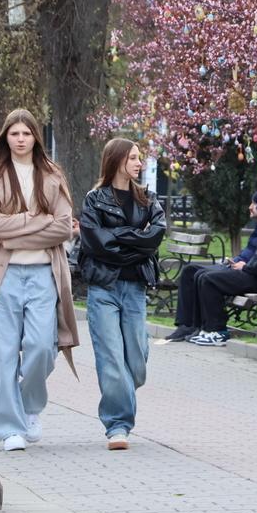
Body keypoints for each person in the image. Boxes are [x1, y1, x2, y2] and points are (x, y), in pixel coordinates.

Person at [0, 109, 77, 453]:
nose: (20, 139)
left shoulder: (52, 174)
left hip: (44, 274)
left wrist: (19, 233)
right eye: (14, 134)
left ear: (35, 138)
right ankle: (8, 428)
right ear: (6, 138)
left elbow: (63, 225)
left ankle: (29, 406)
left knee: (43, 347)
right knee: (1, 354)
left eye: (26, 133)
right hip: (3, 277)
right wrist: (36, 222)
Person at [78, 138, 167, 450]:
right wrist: (134, 242)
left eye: (139, 158)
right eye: (132, 158)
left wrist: (119, 240)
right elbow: (95, 243)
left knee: (136, 362)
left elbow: (155, 236)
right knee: (112, 358)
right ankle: (118, 426)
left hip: (135, 288)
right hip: (104, 287)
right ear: (116, 160)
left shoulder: (148, 199)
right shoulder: (95, 199)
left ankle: (125, 389)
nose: (138, 164)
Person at [186, 196, 257, 347]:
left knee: (209, 279)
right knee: (202, 275)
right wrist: (245, 265)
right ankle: (205, 329)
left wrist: (246, 267)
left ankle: (218, 330)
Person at [165, 189, 257, 342]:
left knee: (204, 276)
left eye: (254, 203)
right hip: (238, 267)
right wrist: (235, 260)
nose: (250, 207)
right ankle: (186, 325)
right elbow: (250, 253)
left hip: (249, 273)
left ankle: (207, 326)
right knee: (189, 271)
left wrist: (244, 265)